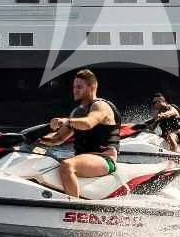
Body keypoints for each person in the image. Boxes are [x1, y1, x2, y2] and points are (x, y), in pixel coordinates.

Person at [38, 69, 119, 199]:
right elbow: (57, 138)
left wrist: (67, 121)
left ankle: (73, 206)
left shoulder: (101, 106)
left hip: (104, 159)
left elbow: (89, 122)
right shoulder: (76, 112)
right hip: (84, 158)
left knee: (67, 165)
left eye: (79, 87)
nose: (75, 90)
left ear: (92, 87)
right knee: (48, 164)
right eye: (74, 87)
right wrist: (36, 138)